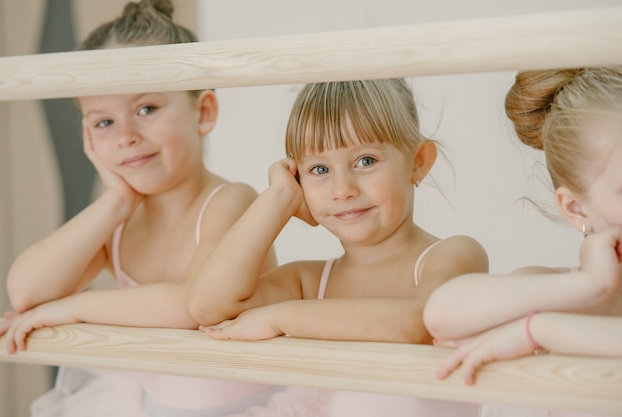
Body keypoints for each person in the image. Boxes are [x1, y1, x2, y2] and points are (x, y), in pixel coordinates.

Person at [0, 1, 326, 416]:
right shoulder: (119, 221)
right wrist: (116, 200)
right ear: (88, 137)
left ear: (203, 112)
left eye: (146, 109)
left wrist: (69, 307)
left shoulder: (231, 201)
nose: (126, 136)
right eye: (103, 122)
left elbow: (189, 307)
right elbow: (25, 291)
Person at [187, 78, 489, 416]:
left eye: (365, 161)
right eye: (319, 169)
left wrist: (279, 317)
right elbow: (208, 307)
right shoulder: (310, 282)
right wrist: (279, 197)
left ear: (418, 161)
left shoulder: (454, 255)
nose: (342, 189)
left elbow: (416, 322)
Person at [423, 67, 622, 415]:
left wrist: (539, 330)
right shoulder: (558, 288)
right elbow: (442, 314)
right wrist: (591, 283)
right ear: (576, 208)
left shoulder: (541, 322)